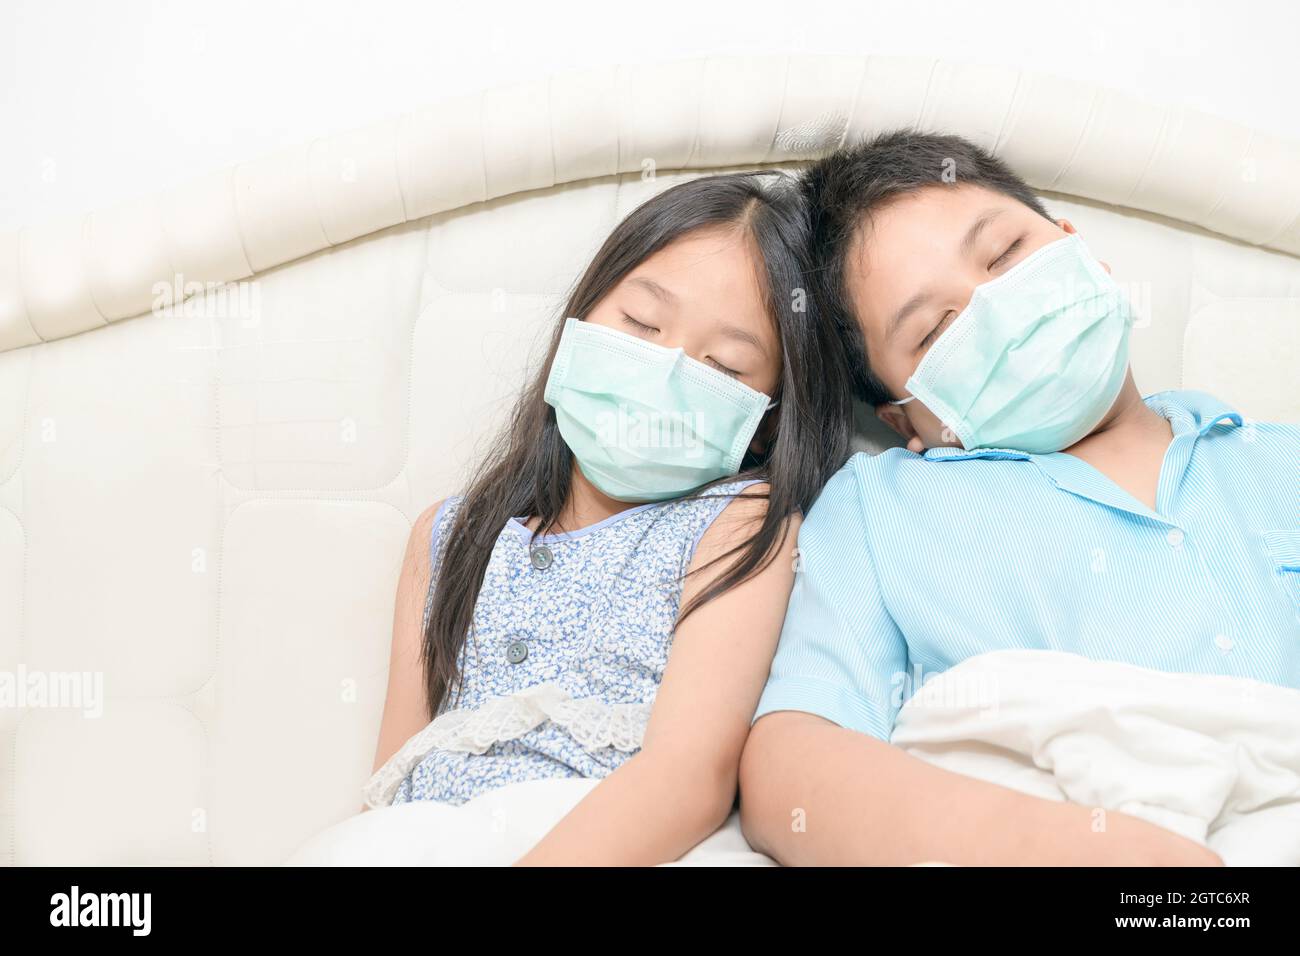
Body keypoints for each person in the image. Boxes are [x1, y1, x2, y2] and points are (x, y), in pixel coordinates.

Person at [739, 128, 1300, 866]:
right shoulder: (883, 509)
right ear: (905, 417)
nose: (998, 308)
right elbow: (792, 766)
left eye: (1005, 255)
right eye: (936, 329)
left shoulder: (1277, 460)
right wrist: (1052, 845)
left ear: (1080, 250)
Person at [360, 170, 854, 865]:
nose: (666, 372)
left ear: (766, 425)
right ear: (584, 318)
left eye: (727, 366)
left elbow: (687, 779)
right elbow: (391, 778)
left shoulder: (740, 526)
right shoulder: (447, 536)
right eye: (642, 324)